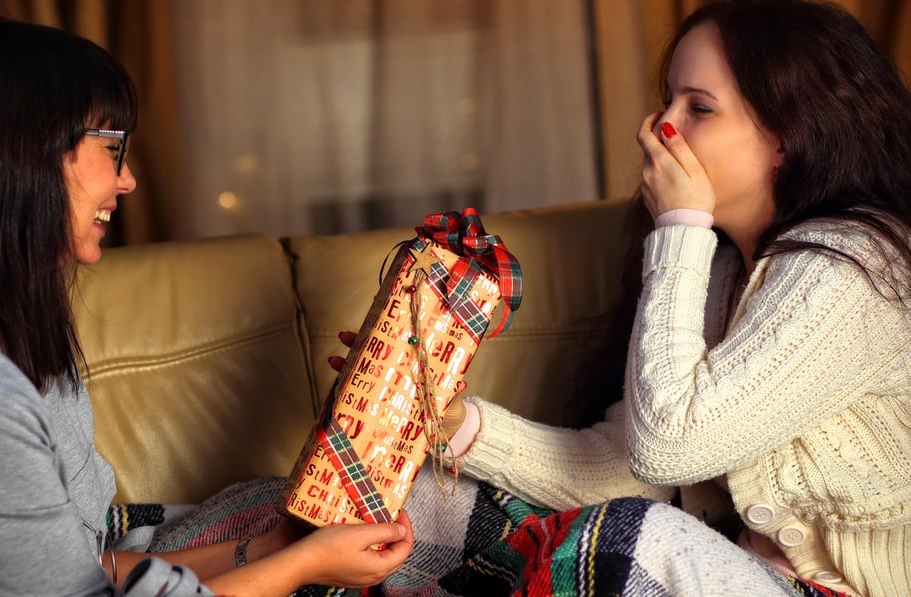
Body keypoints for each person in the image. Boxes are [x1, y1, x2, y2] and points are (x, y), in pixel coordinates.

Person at [376, 1, 910, 595]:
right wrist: (451, 422)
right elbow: (626, 471)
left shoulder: (855, 265)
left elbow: (669, 448)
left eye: (699, 108)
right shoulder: (725, 267)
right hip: (739, 571)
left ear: (786, 138)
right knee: (420, 494)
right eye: (669, 100)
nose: (657, 127)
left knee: (638, 541)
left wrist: (680, 227)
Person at [0, 17, 412, 597]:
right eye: (112, 149)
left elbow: (87, 568)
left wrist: (274, 551)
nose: (128, 180)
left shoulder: (11, 331)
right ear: (24, 154)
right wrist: (304, 569)